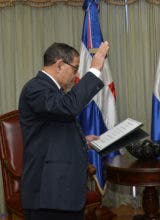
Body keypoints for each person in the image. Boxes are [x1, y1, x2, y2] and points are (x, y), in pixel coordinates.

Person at [18, 41, 109, 220]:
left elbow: (53, 130)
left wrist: (84, 140)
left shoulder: (52, 91)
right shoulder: (35, 88)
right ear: (60, 64)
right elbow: (68, 107)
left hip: (63, 192)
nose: (76, 76)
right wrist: (95, 69)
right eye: (75, 69)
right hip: (48, 193)